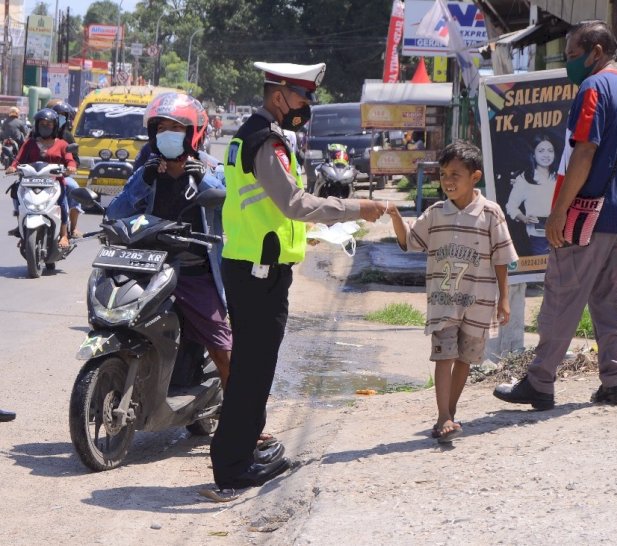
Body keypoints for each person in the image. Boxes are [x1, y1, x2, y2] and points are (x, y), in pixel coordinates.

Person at [210, 61, 386, 490]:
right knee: (252, 371)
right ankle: (233, 467)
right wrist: (357, 208)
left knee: (256, 367)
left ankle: (245, 448)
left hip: (254, 263)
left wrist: (300, 238)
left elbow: (269, 210)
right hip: (257, 273)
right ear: (279, 95)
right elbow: (294, 203)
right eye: (303, 96)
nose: (306, 105)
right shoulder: (263, 140)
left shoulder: (250, 136)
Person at [493, 20, 617, 409]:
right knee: (613, 303)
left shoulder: (593, 88)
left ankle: (540, 382)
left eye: (573, 55)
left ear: (596, 51)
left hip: (589, 218)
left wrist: (558, 212)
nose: (569, 64)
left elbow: (584, 151)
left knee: (562, 299)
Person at [387, 140, 517, 442]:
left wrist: (505, 299)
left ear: (475, 177)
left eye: (455, 174)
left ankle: (450, 412)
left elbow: (501, 259)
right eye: (444, 174)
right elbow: (409, 241)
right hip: (443, 302)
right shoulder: (435, 214)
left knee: (465, 359)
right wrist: (395, 217)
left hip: (480, 302)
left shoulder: (490, 214)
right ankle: (443, 416)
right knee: (444, 356)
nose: (448, 180)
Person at [106, 92, 234, 390]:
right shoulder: (147, 169)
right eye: (161, 128)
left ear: (192, 133)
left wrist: (203, 178)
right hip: (147, 267)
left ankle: (246, 423)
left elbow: (227, 208)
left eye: (175, 128)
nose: (167, 135)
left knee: (223, 349)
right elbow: (115, 212)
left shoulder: (212, 170)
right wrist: (144, 179)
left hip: (193, 272)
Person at [6, 108, 76, 247]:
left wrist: (71, 167)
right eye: (42, 124)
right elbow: (18, 159)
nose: (45, 126)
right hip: (30, 181)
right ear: (37, 125)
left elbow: (70, 160)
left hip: (54, 181)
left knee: (62, 204)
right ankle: (23, 230)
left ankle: (64, 235)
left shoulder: (62, 144)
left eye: (48, 124)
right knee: (17, 197)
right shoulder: (29, 143)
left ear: (54, 126)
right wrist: (12, 167)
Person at [505, 135, 557, 255]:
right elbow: (511, 206)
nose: (546, 155)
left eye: (550, 151)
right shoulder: (524, 178)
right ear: (533, 154)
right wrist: (524, 218)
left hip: (562, 235)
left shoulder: (560, 177)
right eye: (541, 151)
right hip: (538, 238)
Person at [50, 101, 83, 237]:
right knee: (17, 189)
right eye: (58, 115)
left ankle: (73, 227)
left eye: (63, 115)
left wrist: (70, 167)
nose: (60, 118)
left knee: (74, 188)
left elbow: (75, 159)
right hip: (40, 175)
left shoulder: (67, 137)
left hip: (61, 175)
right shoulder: (36, 134)